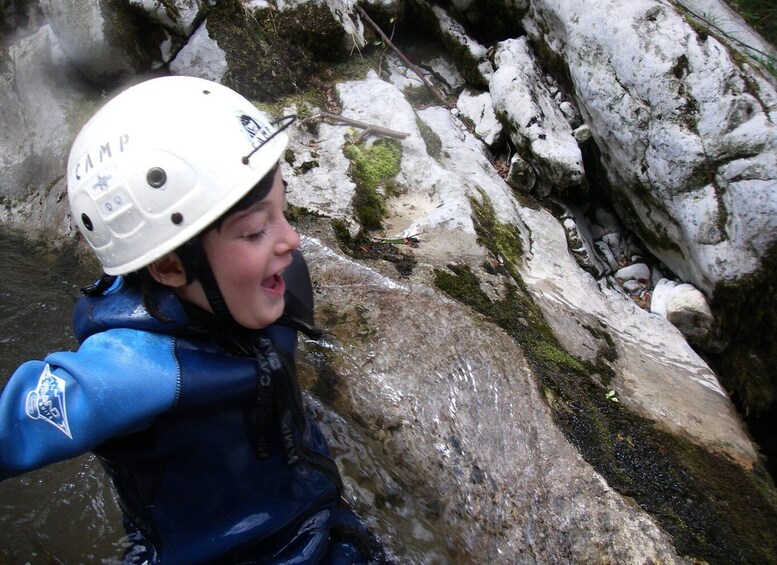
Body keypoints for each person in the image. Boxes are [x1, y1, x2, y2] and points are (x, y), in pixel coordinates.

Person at [0, 76, 384, 564]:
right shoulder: (131, 373)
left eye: (283, 210)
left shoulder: (266, 280)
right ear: (169, 266)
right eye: (254, 231)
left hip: (319, 526)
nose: (291, 241)